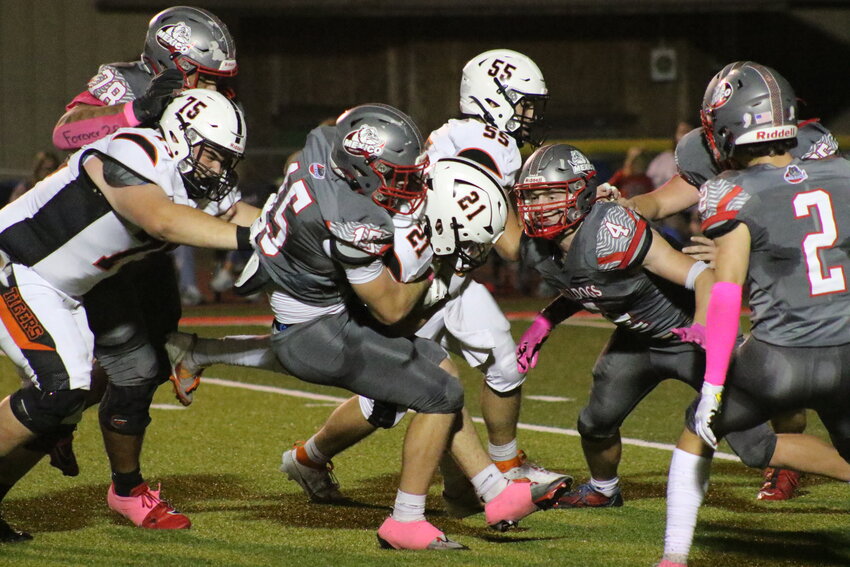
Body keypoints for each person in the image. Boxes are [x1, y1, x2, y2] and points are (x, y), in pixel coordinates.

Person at [229, 103, 569, 550]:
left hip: (335, 302)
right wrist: (439, 261)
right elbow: (393, 308)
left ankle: (493, 489)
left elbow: (322, 141)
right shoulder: (364, 219)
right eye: (399, 174)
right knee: (425, 393)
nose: (410, 183)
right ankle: (410, 514)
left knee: (440, 374)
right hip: (322, 322)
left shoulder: (345, 159)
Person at [511, 143, 850, 514]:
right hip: (636, 340)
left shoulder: (613, 232)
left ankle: (824, 468)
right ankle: (604, 489)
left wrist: (704, 329)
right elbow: (585, 282)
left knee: (756, 447)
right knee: (595, 423)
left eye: (549, 194)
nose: (538, 206)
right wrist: (543, 323)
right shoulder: (539, 247)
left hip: (689, 335)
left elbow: (705, 277)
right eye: (532, 196)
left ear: (581, 193)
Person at [0, 89, 253, 541]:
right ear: (179, 134)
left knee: (64, 401)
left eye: (225, 161)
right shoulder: (133, 149)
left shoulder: (187, 177)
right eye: (212, 155)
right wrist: (249, 240)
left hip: (63, 291)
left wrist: (290, 229)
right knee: (59, 391)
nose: (217, 170)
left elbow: (238, 211)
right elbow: (162, 221)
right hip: (15, 265)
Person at [44, 5, 253, 527]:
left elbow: (221, 197)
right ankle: (127, 489)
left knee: (153, 365)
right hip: (100, 252)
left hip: (150, 252)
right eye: (207, 76)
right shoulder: (126, 83)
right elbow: (65, 133)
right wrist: (137, 110)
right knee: (134, 368)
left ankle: (59, 414)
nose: (217, 88)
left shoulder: (206, 105)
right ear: (173, 64)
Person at [657, 63, 850, 567]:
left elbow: (726, 293)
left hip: (779, 360)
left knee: (695, 431)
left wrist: (715, 385)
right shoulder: (844, 173)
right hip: (848, 355)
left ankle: (674, 557)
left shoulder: (732, 192)